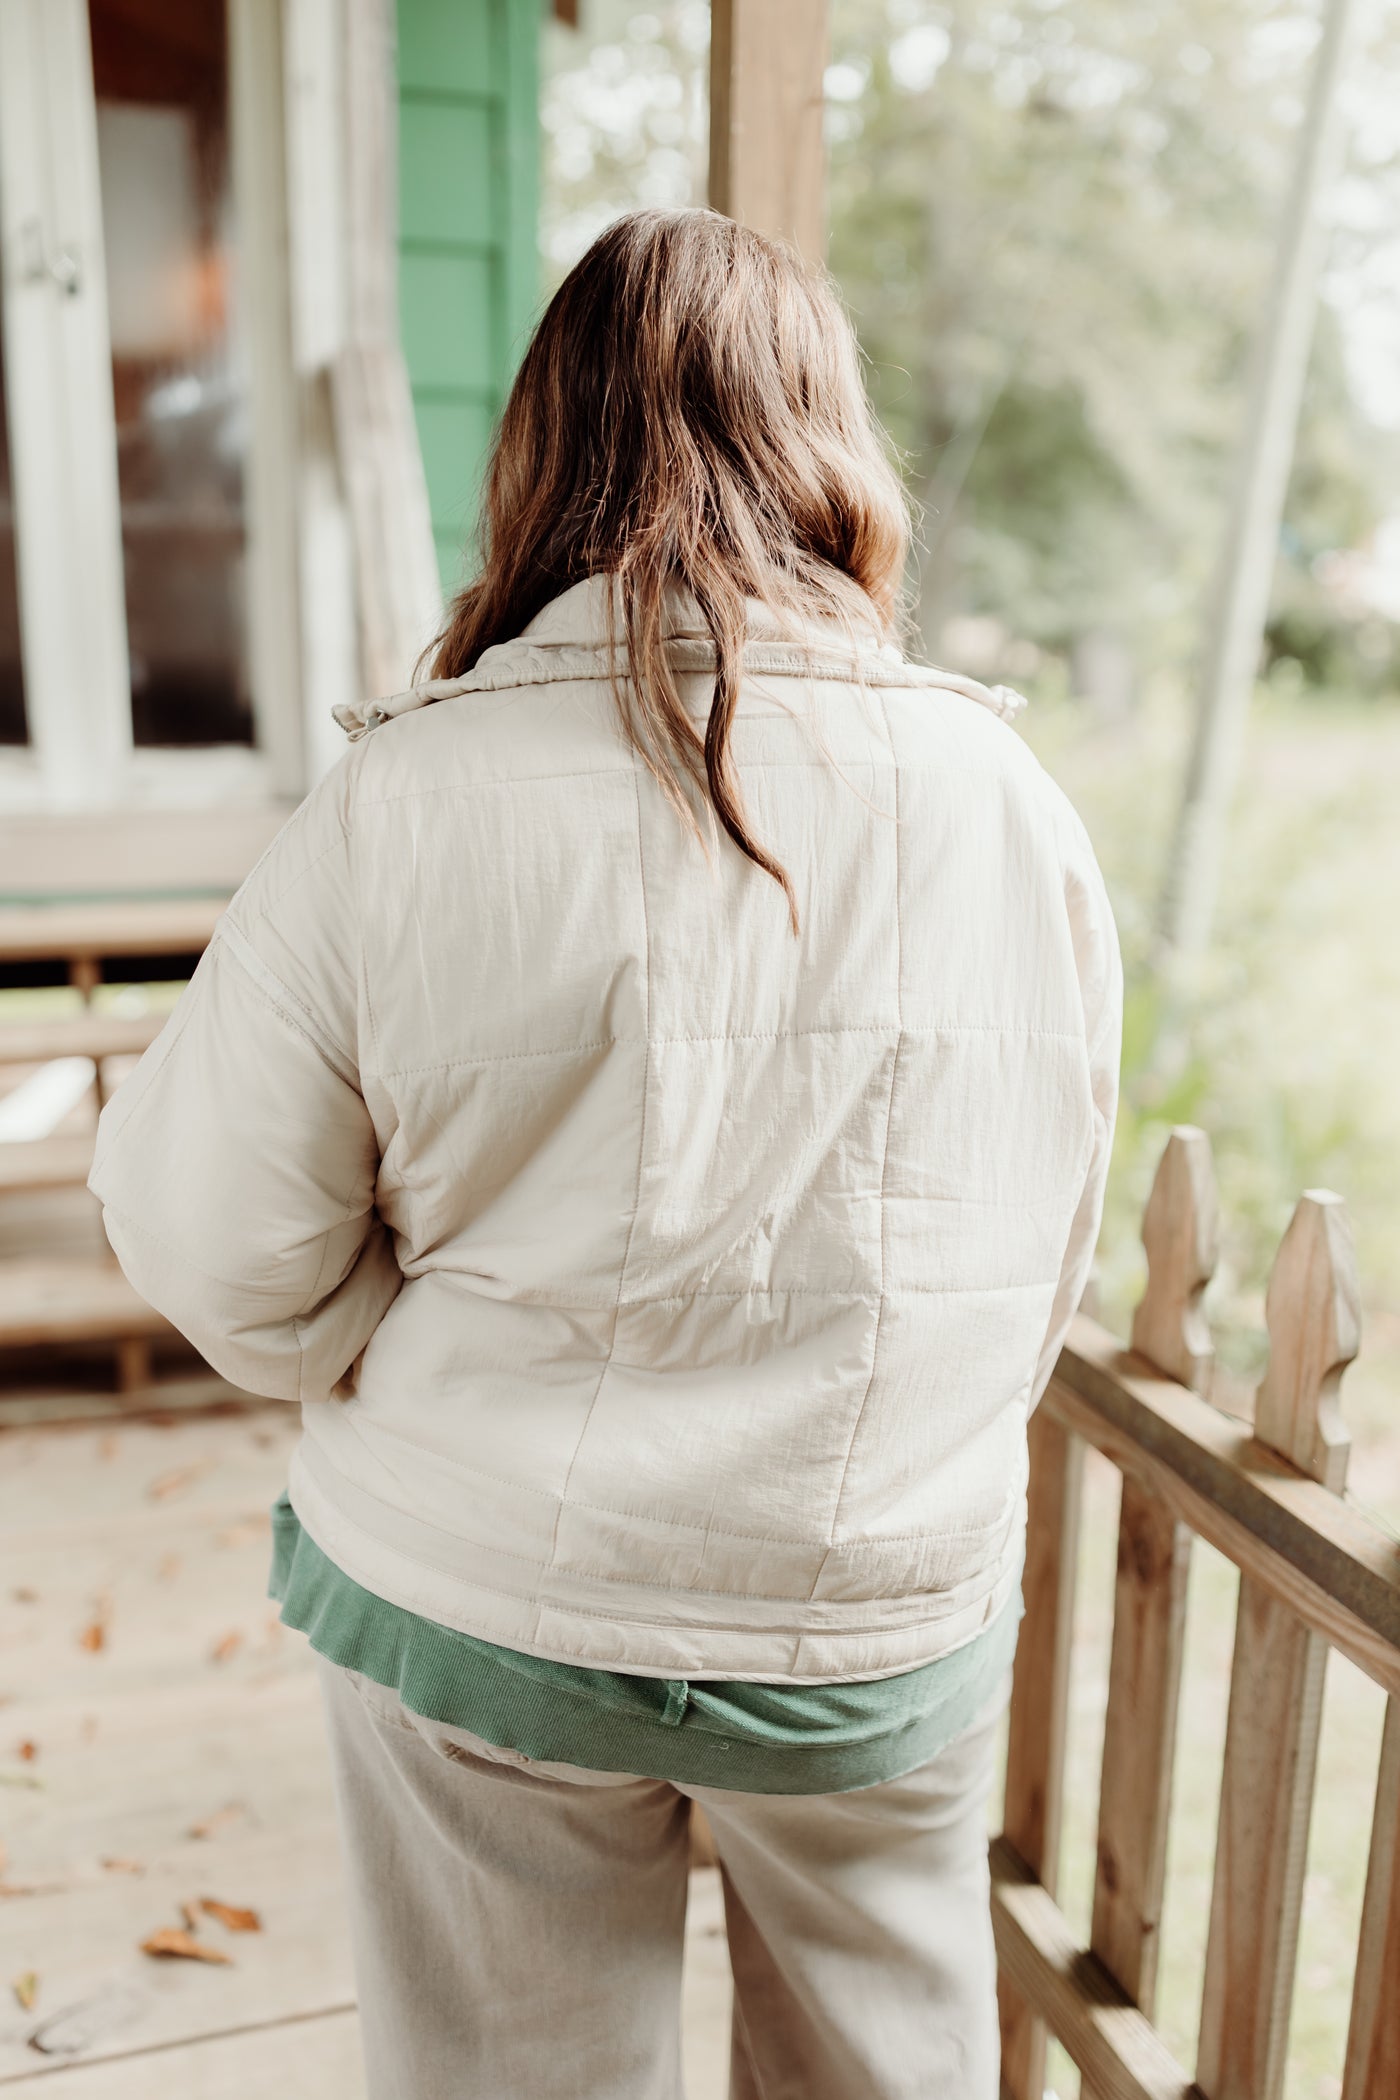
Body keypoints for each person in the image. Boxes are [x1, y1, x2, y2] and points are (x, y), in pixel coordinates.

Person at [90, 208, 1121, 2100]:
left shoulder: (404, 797)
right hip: (867, 1603)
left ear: (543, 451)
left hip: (485, 1588)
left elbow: (208, 1234)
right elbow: (1042, 1239)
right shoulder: (1006, 801)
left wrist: (389, 1319)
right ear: (830, 438)